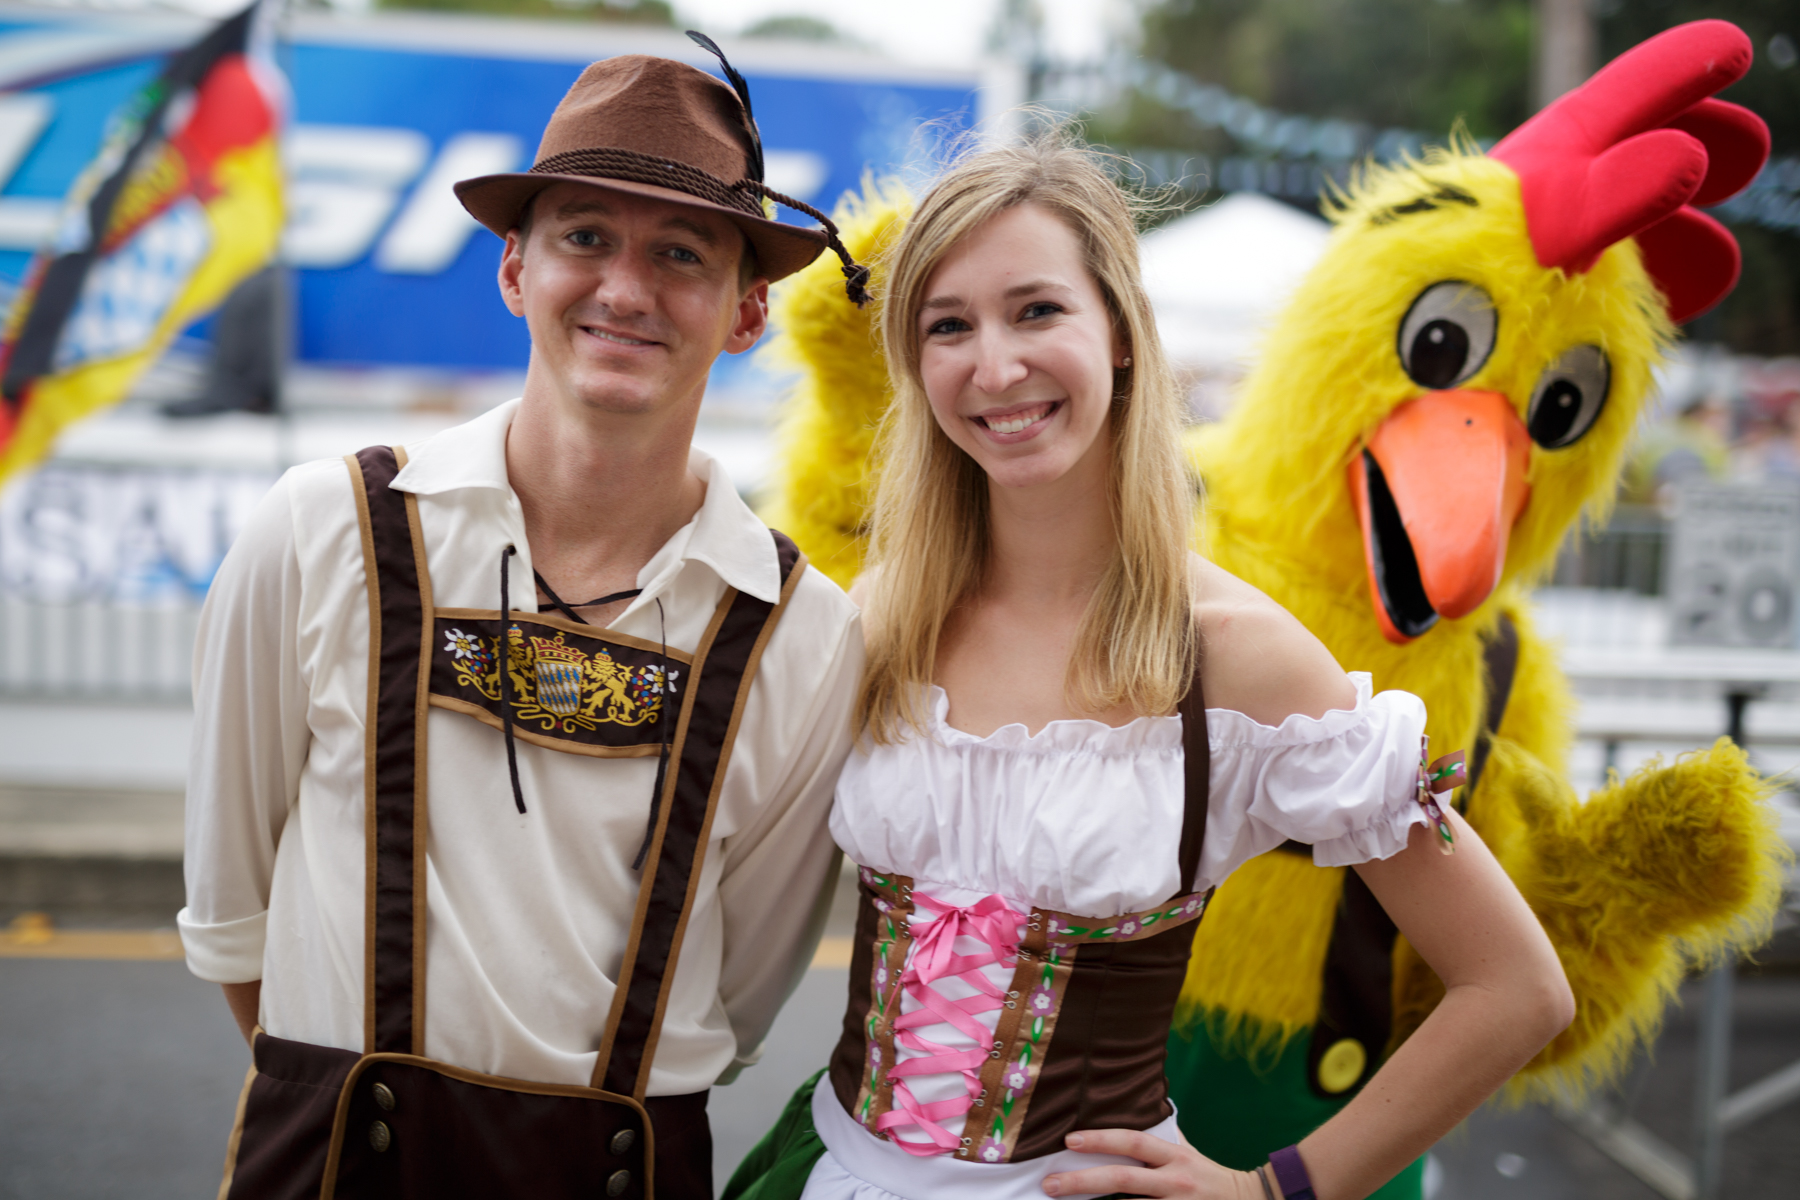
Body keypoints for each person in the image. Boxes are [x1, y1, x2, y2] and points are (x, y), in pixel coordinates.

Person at [725, 132, 1573, 1200]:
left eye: (1037, 310)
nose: (995, 366)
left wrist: (1276, 1190)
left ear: (1120, 333)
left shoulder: (1237, 656)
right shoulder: (883, 617)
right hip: (833, 1176)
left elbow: (1515, 988)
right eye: (949, 326)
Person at [179, 46, 868, 1199]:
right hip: (331, 1154)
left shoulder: (805, 635)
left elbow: (739, 992)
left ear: (748, 311)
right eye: (584, 236)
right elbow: (234, 913)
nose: (625, 289)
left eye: (681, 253)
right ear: (514, 268)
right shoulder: (323, 529)